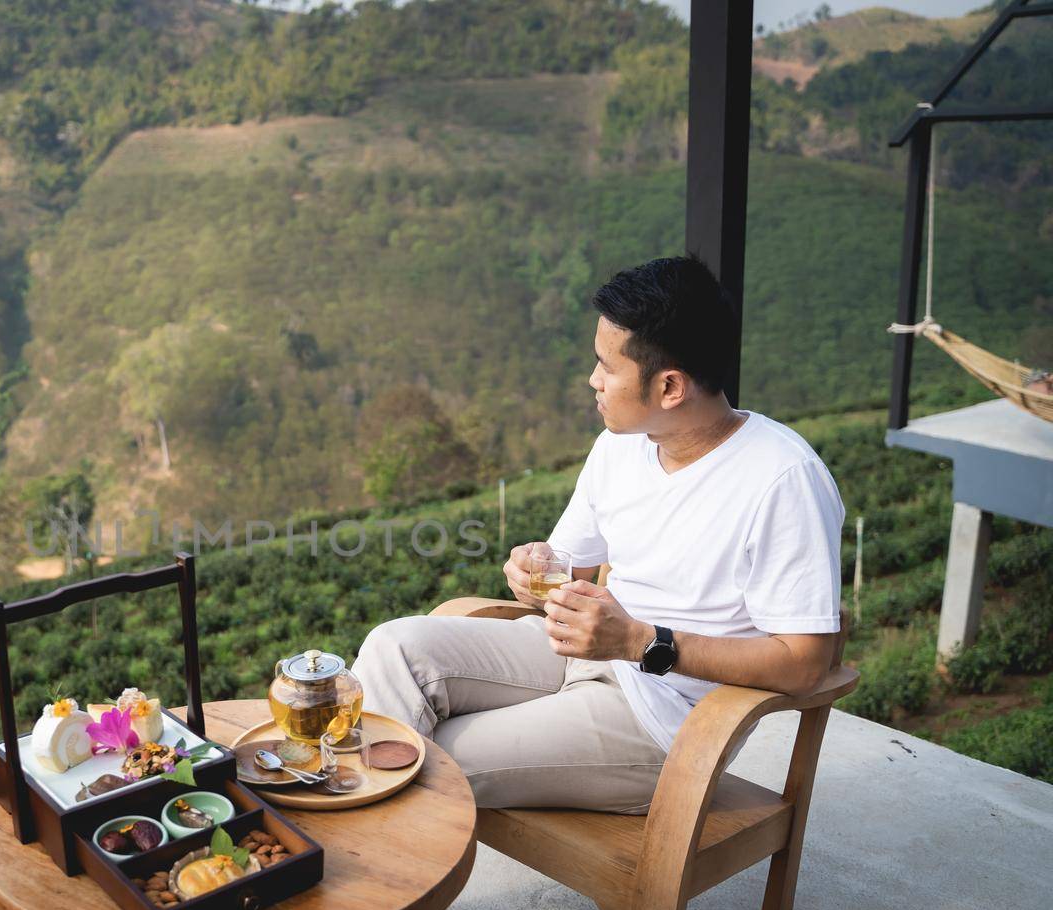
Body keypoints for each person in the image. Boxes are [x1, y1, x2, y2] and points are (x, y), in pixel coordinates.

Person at [351, 256, 845, 813]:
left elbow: (805, 664)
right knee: (393, 649)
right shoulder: (623, 441)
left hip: (663, 717)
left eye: (607, 368)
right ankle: (366, 860)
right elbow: (570, 567)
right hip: (579, 652)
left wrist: (638, 642)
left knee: (416, 760)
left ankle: (373, 881)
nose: (593, 381)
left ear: (671, 386)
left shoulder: (781, 479)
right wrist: (533, 569)